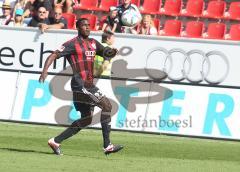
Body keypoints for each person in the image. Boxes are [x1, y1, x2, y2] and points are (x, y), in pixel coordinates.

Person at [39, 18, 124, 155]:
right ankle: (107, 145)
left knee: (87, 119)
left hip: (88, 84)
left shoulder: (93, 43)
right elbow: (54, 55)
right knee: (107, 106)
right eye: (84, 25)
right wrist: (44, 71)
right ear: (77, 27)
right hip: (81, 85)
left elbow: (106, 52)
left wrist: (113, 52)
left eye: (88, 25)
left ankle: (55, 141)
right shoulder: (72, 44)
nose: (87, 28)